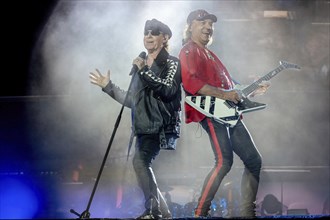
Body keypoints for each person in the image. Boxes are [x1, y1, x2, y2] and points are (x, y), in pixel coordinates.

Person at [179, 9, 270, 218]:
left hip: (230, 113)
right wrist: (225, 94)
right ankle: (200, 213)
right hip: (212, 112)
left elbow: (232, 88)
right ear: (190, 25)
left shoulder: (212, 55)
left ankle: (248, 212)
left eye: (211, 24)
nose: (208, 27)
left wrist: (253, 89)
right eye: (203, 22)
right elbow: (192, 83)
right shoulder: (188, 50)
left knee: (254, 161)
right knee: (223, 162)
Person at [89, 18, 182, 219]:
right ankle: (163, 213)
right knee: (141, 164)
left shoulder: (171, 62)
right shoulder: (141, 66)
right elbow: (133, 100)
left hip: (160, 126)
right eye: (146, 32)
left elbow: (168, 90)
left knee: (140, 162)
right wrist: (109, 87)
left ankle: (154, 212)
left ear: (164, 37)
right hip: (142, 127)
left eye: (154, 32)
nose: (148, 36)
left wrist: (144, 70)